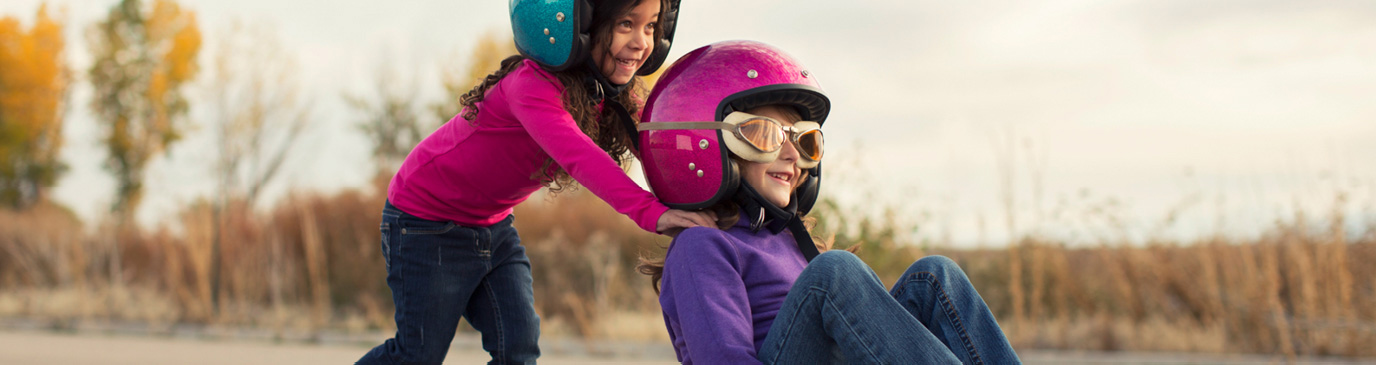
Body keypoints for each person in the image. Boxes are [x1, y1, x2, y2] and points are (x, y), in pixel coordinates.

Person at [356, 1, 707, 364]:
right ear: (581, 30)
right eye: (625, 25)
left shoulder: (603, 93)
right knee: (417, 354)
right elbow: (581, 157)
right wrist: (653, 213)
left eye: (650, 27)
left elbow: (655, 146)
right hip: (425, 221)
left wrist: (711, 198)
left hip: (493, 226)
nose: (641, 42)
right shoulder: (530, 86)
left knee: (519, 349)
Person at [635, 40, 1022, 364]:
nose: (791, 155)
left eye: (804, 140)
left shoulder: (789, 240)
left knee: (936, 276)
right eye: (767, 135)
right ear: (709, 143)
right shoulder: (701, 245)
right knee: (833, 273)